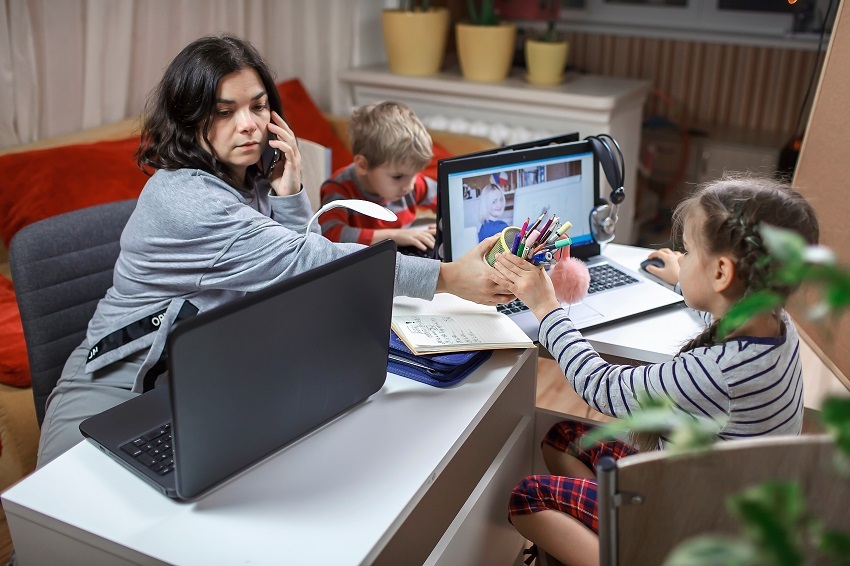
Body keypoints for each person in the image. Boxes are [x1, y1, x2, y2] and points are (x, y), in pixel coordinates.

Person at [36, 34, 512, 468]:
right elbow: (307, 263)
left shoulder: (251, 176)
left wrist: (287, 192)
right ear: (189, 118)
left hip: (196, 379)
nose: (248, 126)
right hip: (114, 385)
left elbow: (298, 283)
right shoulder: (187, 198)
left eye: (259, 107)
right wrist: (446, 277)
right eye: (224, 112)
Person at [490, 175, 819, 566]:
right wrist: (683, 281)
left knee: (528, 497)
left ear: (721, 275)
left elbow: (600, 385)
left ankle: (640, 551)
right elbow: (725, 309)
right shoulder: (778, 324)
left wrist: (546, 307)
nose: (683, 258)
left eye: (690, 253)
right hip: (727, 508)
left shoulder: (715, 372)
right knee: (563, 438)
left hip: (692, 522)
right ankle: (618, 532)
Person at [318, 101, 438, 253]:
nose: (410, 186)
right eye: (397, 176)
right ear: (363, 165)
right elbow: (329, 233)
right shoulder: (339, 190)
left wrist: (446, 223)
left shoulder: (409, 183)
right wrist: (393, 236)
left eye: (415, 174)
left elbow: (447, 198)